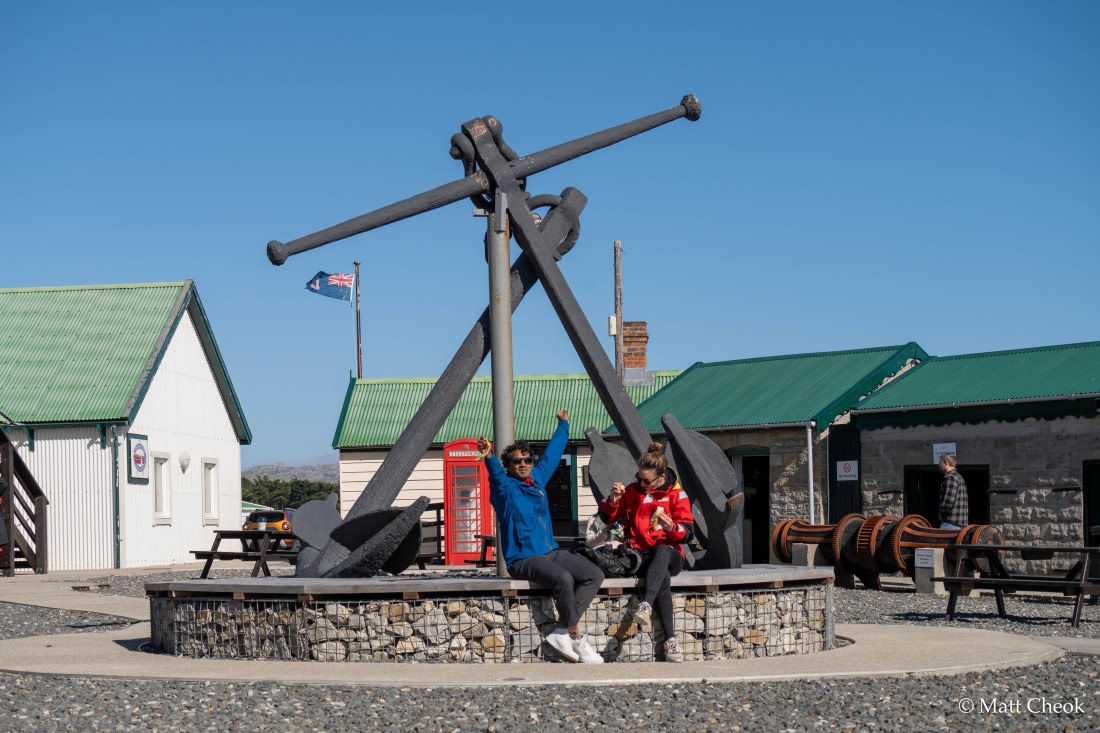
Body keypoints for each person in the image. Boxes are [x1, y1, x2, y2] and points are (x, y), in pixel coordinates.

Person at [477, 408, 605, 664]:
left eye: (527, 459)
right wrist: (490, 456)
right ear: (509, 466)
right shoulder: (506, 491)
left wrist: (564, 425)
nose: (523, 464)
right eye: (516, 461)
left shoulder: (537, 481)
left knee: (594, 574)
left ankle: (561, 630)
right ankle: (575, 636)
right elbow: (497, 478)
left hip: (550, 552)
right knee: (564, 579)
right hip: (522, 559)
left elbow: (553, 455)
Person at [600, 442, 694, 663]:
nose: (641, 484)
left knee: (662, 550)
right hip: (642, 554)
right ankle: (670, 641)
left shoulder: (677, 495)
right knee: (662, 577)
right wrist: (612, 501)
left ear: (661, 478)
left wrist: (672, 528)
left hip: (670, 554)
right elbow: (608, 518)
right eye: (639, 478)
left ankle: (646, 603)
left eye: (647, 481)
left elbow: (688, 534)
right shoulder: (632, 492)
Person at [938, 452, 969, 530]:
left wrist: (941, 514)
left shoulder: (950, 477)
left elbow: (948, 501)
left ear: (945, 463)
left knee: (941, 542)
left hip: (951, 522)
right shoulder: (959, 477)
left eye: (940, 462)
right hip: (961, 523)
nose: (938, 464)